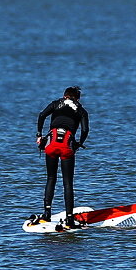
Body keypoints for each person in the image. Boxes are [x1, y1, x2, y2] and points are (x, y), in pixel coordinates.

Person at [35, 86, 89, 228]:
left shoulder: (55, 103)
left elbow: (41, 115)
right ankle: (69, 218)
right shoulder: (81, 110)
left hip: (51, 144)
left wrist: (39, 136)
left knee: (51, 178)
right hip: (67, 145)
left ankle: (46, 214)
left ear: (65, 96)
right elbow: (85, 130)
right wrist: (78, 144)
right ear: (77, 98)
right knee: (67, 182)